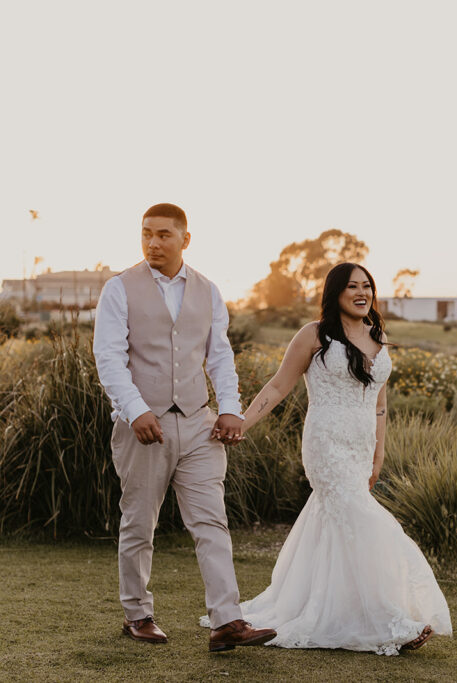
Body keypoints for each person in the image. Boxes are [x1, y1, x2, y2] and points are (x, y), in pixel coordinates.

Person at [200, 262, 452, 655]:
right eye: (351, 286)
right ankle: (390, 619)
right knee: (365, 520)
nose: (361, 292)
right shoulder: (314, 335)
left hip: (360, 446)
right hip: (326, 444)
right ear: (335, 293)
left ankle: (340, 610)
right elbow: (279, 385)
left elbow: (380, 402)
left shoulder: (378, 335)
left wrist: (379, 450)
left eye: (366, 285)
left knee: (338, 527)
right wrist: (242, 423)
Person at [93, 202, 276, 652]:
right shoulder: (119, 289)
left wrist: (230, 408)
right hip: (143, 427)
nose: (153, 243)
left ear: (185, 239)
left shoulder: (208, 290)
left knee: (211, 521)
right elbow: (109, 359)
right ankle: (137, 614)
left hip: (199, 423)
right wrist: (135, 410)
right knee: (139, 523)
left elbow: (219, 356)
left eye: (163, 235)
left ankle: (227, 621)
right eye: (146, 234)